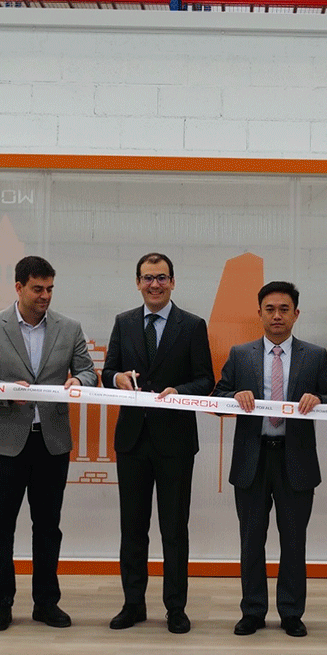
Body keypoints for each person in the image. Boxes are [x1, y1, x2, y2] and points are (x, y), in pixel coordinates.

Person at [0, 255, 96, 631]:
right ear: (18, 287)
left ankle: (46, 602)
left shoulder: (69, 328)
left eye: (50, 288)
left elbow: (87, 370)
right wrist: (5, 392)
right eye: (38, 289)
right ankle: (1, 602)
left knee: (48, 526)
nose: (45, 296)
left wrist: (80, 383)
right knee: (1, 525)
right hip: (5, 442)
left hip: (52, 442)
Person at [214, 280, 327, 638]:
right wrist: (234, 396)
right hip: (252, 460)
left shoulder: (314, 355)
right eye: (270, 309)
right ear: (259, 314)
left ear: (296, 314)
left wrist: (318, 400)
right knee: (251, 540)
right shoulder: (241, 354)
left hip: (295, 459)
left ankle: (291, 612)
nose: (277, 316)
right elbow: (219, 396)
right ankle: (252, 610)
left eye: (284, 309)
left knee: (293, 540)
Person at [100, 252, 214, 635]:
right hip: (132, 440)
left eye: (161, 278)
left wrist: (178, 391)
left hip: (175, 442)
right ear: (137, 282)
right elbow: (108, 371)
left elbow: (205, 380)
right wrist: (115, 379)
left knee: (174, 529)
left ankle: (175, 608)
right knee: (132, 528)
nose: (154, 284)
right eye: (148, 278)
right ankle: (133, 605)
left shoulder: (193, 325)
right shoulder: (123, 322)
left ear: (172, 282)